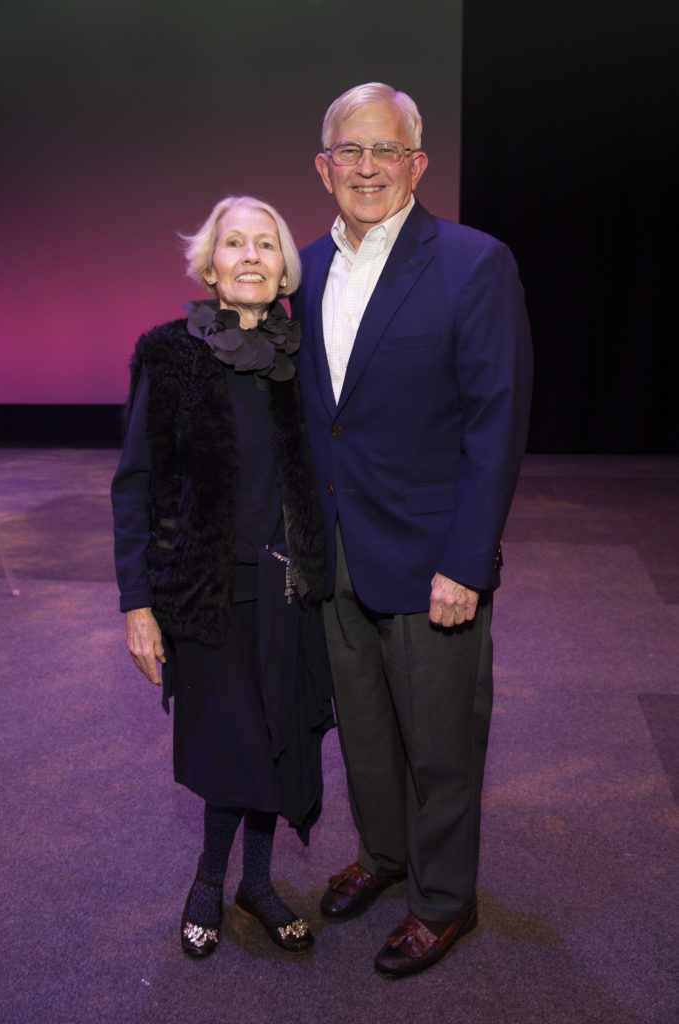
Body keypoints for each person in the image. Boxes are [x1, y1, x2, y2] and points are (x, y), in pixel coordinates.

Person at [292, 83, 533, 979]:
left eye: (384, 151)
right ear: (323, 168)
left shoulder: (473, 263)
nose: (365, 167)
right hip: (335, 548)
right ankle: (385, 855)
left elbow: (495, 421)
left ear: (416, 164)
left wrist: (466, 562)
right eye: (348, 152)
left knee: (440, 741)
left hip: (433, 555)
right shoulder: (303, 268)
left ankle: (442, 900)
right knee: (361, 728)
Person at [111, 195, 334, 959]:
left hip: (290, 589)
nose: (248, 255)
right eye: (232, 243)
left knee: (279, 738)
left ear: (283, 269)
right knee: (231, 740)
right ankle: (211, 880)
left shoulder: (306, 357)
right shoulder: (169, 352)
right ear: (209, 266)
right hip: (207, 592)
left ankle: (259, 883)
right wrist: (137, 604)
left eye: (265, 245)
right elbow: (135, 483)